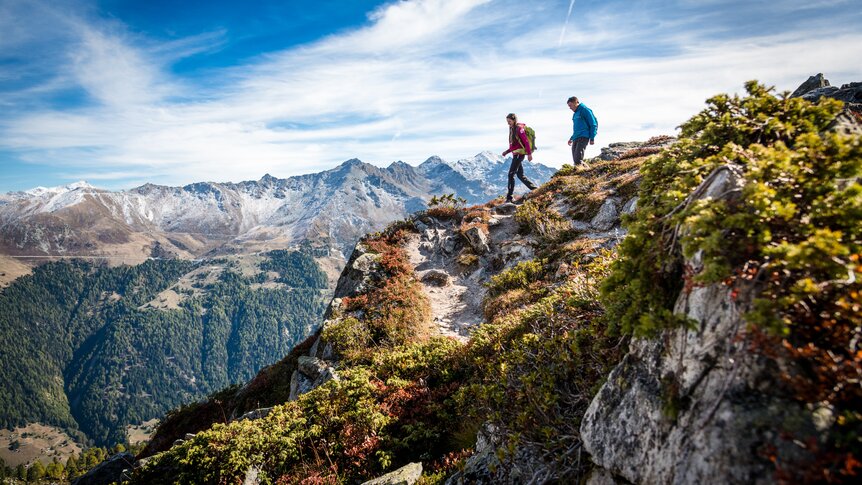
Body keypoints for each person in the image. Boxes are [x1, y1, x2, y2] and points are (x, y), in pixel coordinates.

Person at [501, 113, 538, 203]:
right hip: (515, 154)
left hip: (519, 154)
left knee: (511, 174)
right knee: (520, 175)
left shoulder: (519, 129)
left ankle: (509, 197)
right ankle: (535, 189)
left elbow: (525, 141)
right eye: (507, 121)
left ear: (514, 120)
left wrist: (529, 154)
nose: (508, 123)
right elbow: (514, 145)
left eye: (509, 121)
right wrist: (507, 152)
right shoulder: (512, 129)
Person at [567, 96, 598, 167]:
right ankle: (585, 170)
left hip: (584, 136)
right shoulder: (575, 114)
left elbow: (593, 124)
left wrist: (592, 138)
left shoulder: (585, 110)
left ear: (576, 102)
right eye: (569, 106)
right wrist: (571, 138)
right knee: (575, 160)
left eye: (570, 105)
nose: (570, 108)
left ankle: (586, 172)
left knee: (578, 159)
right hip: (576, 138)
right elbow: (577, 128)